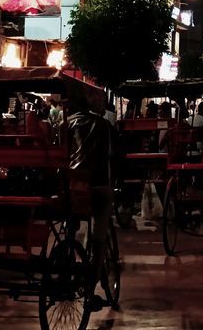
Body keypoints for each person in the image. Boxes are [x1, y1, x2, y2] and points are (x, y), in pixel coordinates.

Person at [67, 96, 115, 310]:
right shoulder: (103, 125)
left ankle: (69, 252)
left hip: (71, 187)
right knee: (98, 240)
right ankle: (89, 289)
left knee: (71, 228)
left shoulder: (65, 124)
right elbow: (113, 156)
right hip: (99, 186)